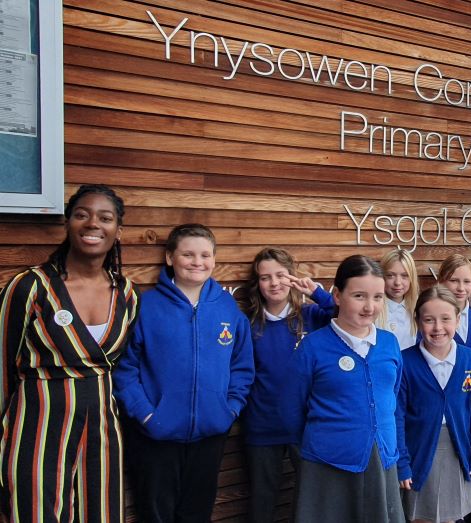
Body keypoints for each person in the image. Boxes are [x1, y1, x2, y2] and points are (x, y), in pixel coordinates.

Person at [0, 184, 140, 521]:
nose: (93, 224)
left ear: (117, 231)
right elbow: (1, 366)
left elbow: (120, 365)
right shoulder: (30, 286)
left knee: (101, 511)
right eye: (82, 214)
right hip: (36, 426)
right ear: (67, 223)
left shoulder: (127, 294)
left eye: (105, 218)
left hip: (102, 428)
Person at [113, 224, 254, 522]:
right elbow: (125, 369)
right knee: (155, 514)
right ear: (169, 257)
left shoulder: (228, 308)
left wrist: (228, 410)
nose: (197, 262)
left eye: (205, 255)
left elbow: (242, 367)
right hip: (156, 435)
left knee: (197, 514)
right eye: (187, 254)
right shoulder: (146, 306)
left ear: (214, 260)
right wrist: (147, 415)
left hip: (210, 434)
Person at [283, 255, 404, 523]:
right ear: (337, 296)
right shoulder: (313, 347)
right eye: (359, 296)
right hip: (327, 465)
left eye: (377, 297)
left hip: (382, 460)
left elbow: (392, 401)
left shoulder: (389, 344)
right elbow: (292, 411)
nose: (369, 307)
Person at [239, 247, 335, 522]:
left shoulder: (313, 316)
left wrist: (316, 291)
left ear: (292, 277)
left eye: (281, 275)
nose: (274, 283)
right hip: (262, 427)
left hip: (306, 427)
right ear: (257, 284)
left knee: (311, 501)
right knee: (262, 503)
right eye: (266, 277)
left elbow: (343, 312)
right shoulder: (250, 325)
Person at [397, 286, 471, 523]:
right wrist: (402, 462)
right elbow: (396, 417)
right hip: (419, 450)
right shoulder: (405, 362)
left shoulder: (470, 358)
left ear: (458, 320)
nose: (438, 328)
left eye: (446, 319)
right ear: (417, 321)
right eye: (429, 320)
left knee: (451, 514)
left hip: (458, 447)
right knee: (422, 516)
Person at [377, 249, 420, 350]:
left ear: (411, 279)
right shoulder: (374, 309)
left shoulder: (419, 309)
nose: (397, 282)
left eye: (404, 276)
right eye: (390, 275)